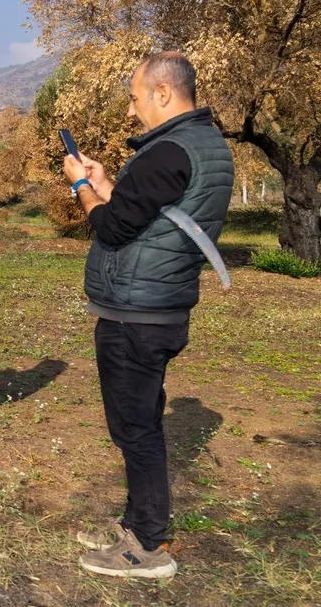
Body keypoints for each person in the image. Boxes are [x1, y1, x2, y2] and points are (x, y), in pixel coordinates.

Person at [62, 51, 233, 579]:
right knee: (140, 422)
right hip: (158, 306)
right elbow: (147, 215)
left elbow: (112, 227)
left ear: (163, 92)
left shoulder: (167, 151)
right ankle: (137, 523)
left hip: (137, 313)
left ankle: (147, 546)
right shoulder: (200, 145)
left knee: (135, 428)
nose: (133, 109)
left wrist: (80, 186)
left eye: (135, 97)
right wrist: (107, 182)